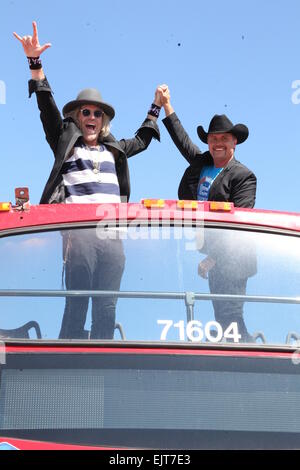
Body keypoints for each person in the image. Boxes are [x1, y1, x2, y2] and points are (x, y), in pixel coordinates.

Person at [14, 22, 161, 340]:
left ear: (103, 120)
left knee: (107, 307)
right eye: (85, 112)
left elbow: (143, 138)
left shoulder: (115, 150)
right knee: (77, 302)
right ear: (77, 118)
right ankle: (68, 363)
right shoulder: (65, 143)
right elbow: (47, 109)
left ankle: (103, 368)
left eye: (97, 113)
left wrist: (156, 107)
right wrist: (35, 63)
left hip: (111, 235)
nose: (91, 117)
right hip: (79, 233)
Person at [158, 85, 257, 342]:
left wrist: (213, 257)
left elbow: (240, 224)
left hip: (234, 259)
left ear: (234, 142)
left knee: (231, 316)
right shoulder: (202, 164)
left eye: (224, 138)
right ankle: (232, 357)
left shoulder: (243, 176)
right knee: (221, 316)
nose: (218, 143)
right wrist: (167, 105)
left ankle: (246, 359)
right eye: (213, 139)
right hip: (213, 257)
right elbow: (182, 141)